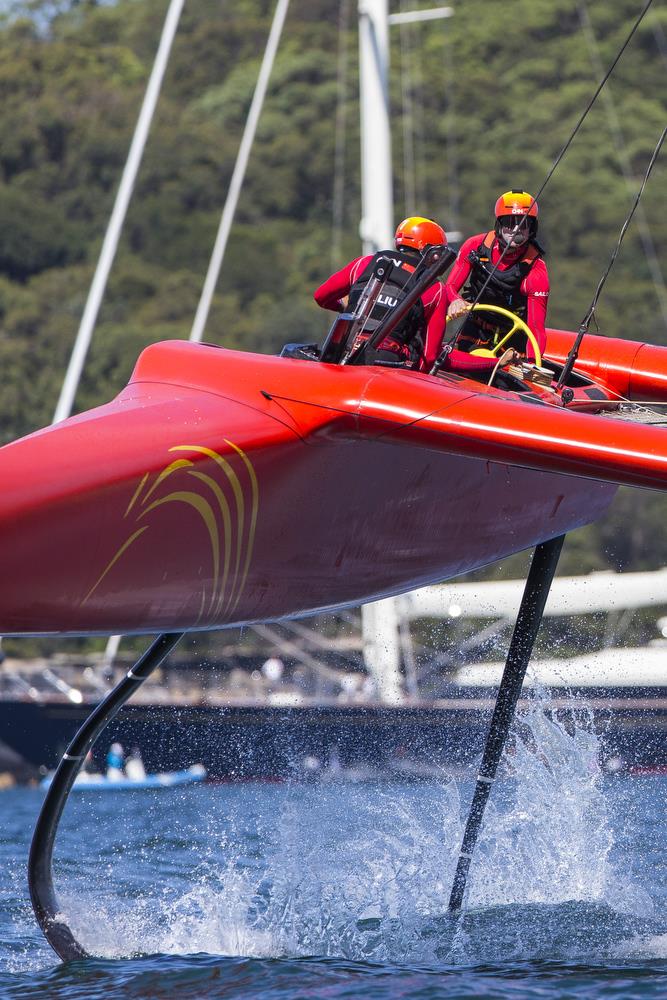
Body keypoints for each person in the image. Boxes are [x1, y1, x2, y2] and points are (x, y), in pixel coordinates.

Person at [438, 190, 550, 374]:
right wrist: (456, 300)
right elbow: (449, 287)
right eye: (509, 223)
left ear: (532, 229)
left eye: (523, 224)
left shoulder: (536, 272)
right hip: (475, 330)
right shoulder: (474, 246)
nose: (515, 230)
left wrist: (533, 366)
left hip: (513, 337)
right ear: (499, 225)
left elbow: (536, 329)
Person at [314, 216, 448, 368]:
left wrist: (344, 307)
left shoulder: (365, 262)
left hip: (339, 351)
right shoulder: (435, 288)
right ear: (433, 252)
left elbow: (321, 296)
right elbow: (430, 356)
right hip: (387, 361)